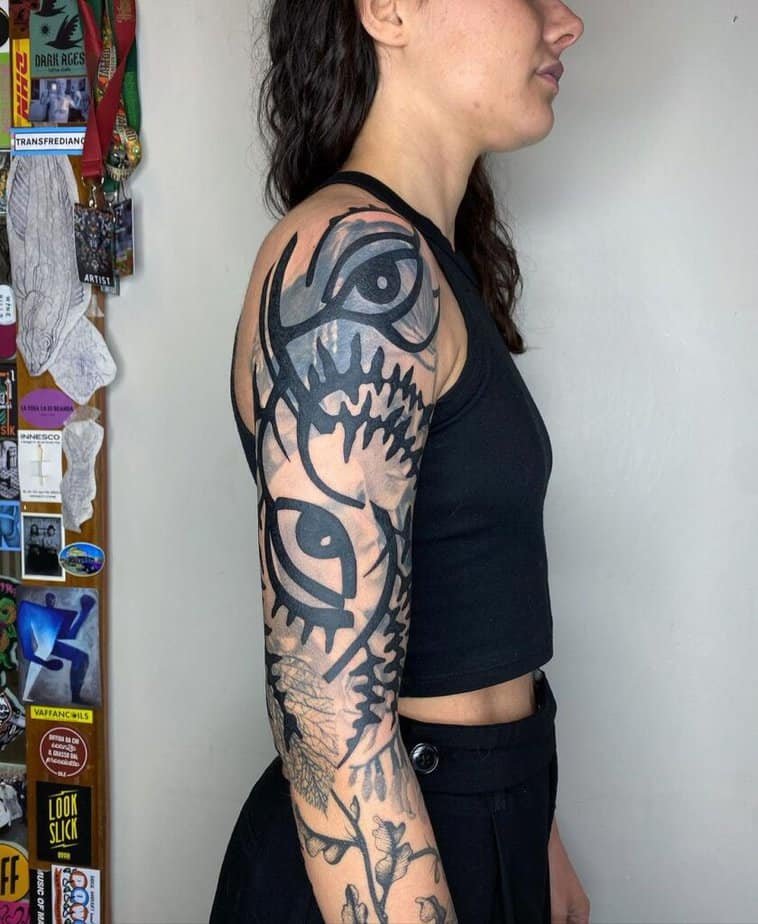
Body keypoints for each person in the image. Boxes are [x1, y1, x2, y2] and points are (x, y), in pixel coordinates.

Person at [211, 1, 589, 922]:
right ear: (388, 10)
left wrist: (532, 832)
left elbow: (474, 598)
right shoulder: (353, 262)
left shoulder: (426, 261)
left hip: (482, 815)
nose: (565, 21)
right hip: (388, 855)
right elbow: (333, 730)